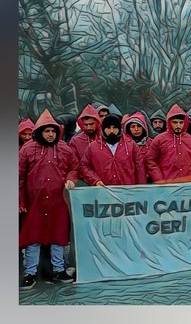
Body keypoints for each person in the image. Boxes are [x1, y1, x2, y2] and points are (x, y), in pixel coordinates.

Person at [19, 111, 79, 286]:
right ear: (39, 132)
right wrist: (21, 200)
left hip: (58, 202)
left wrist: (71, 179)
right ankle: (30, 272)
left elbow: (74, 167)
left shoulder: (65, 149)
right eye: (47, 131)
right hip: (34, 202)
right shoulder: (28, 149)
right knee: (33, 238)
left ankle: (59, 270)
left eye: (53, 131)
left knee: (58, 237)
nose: (51, 134)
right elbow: (19, 177)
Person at [81, 110, 146, 187]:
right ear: (103, 129)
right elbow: (84, 166)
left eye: (114, 128)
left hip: (128, 192)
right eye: (108, 128)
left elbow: (140, 169)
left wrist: (140, 188)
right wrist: (95, 180)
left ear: (119, 128)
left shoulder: (131, 145)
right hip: (104, 191)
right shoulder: (93, 147)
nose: (111, 131)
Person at [145, 105, 191, 182]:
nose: (178, 125)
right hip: (168, 184)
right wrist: (159, 179)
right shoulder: (159, 139)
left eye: (181, 123)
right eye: (175, 122)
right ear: (169, 122)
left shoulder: (190, 139)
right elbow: (150, 160)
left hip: (188, 184)